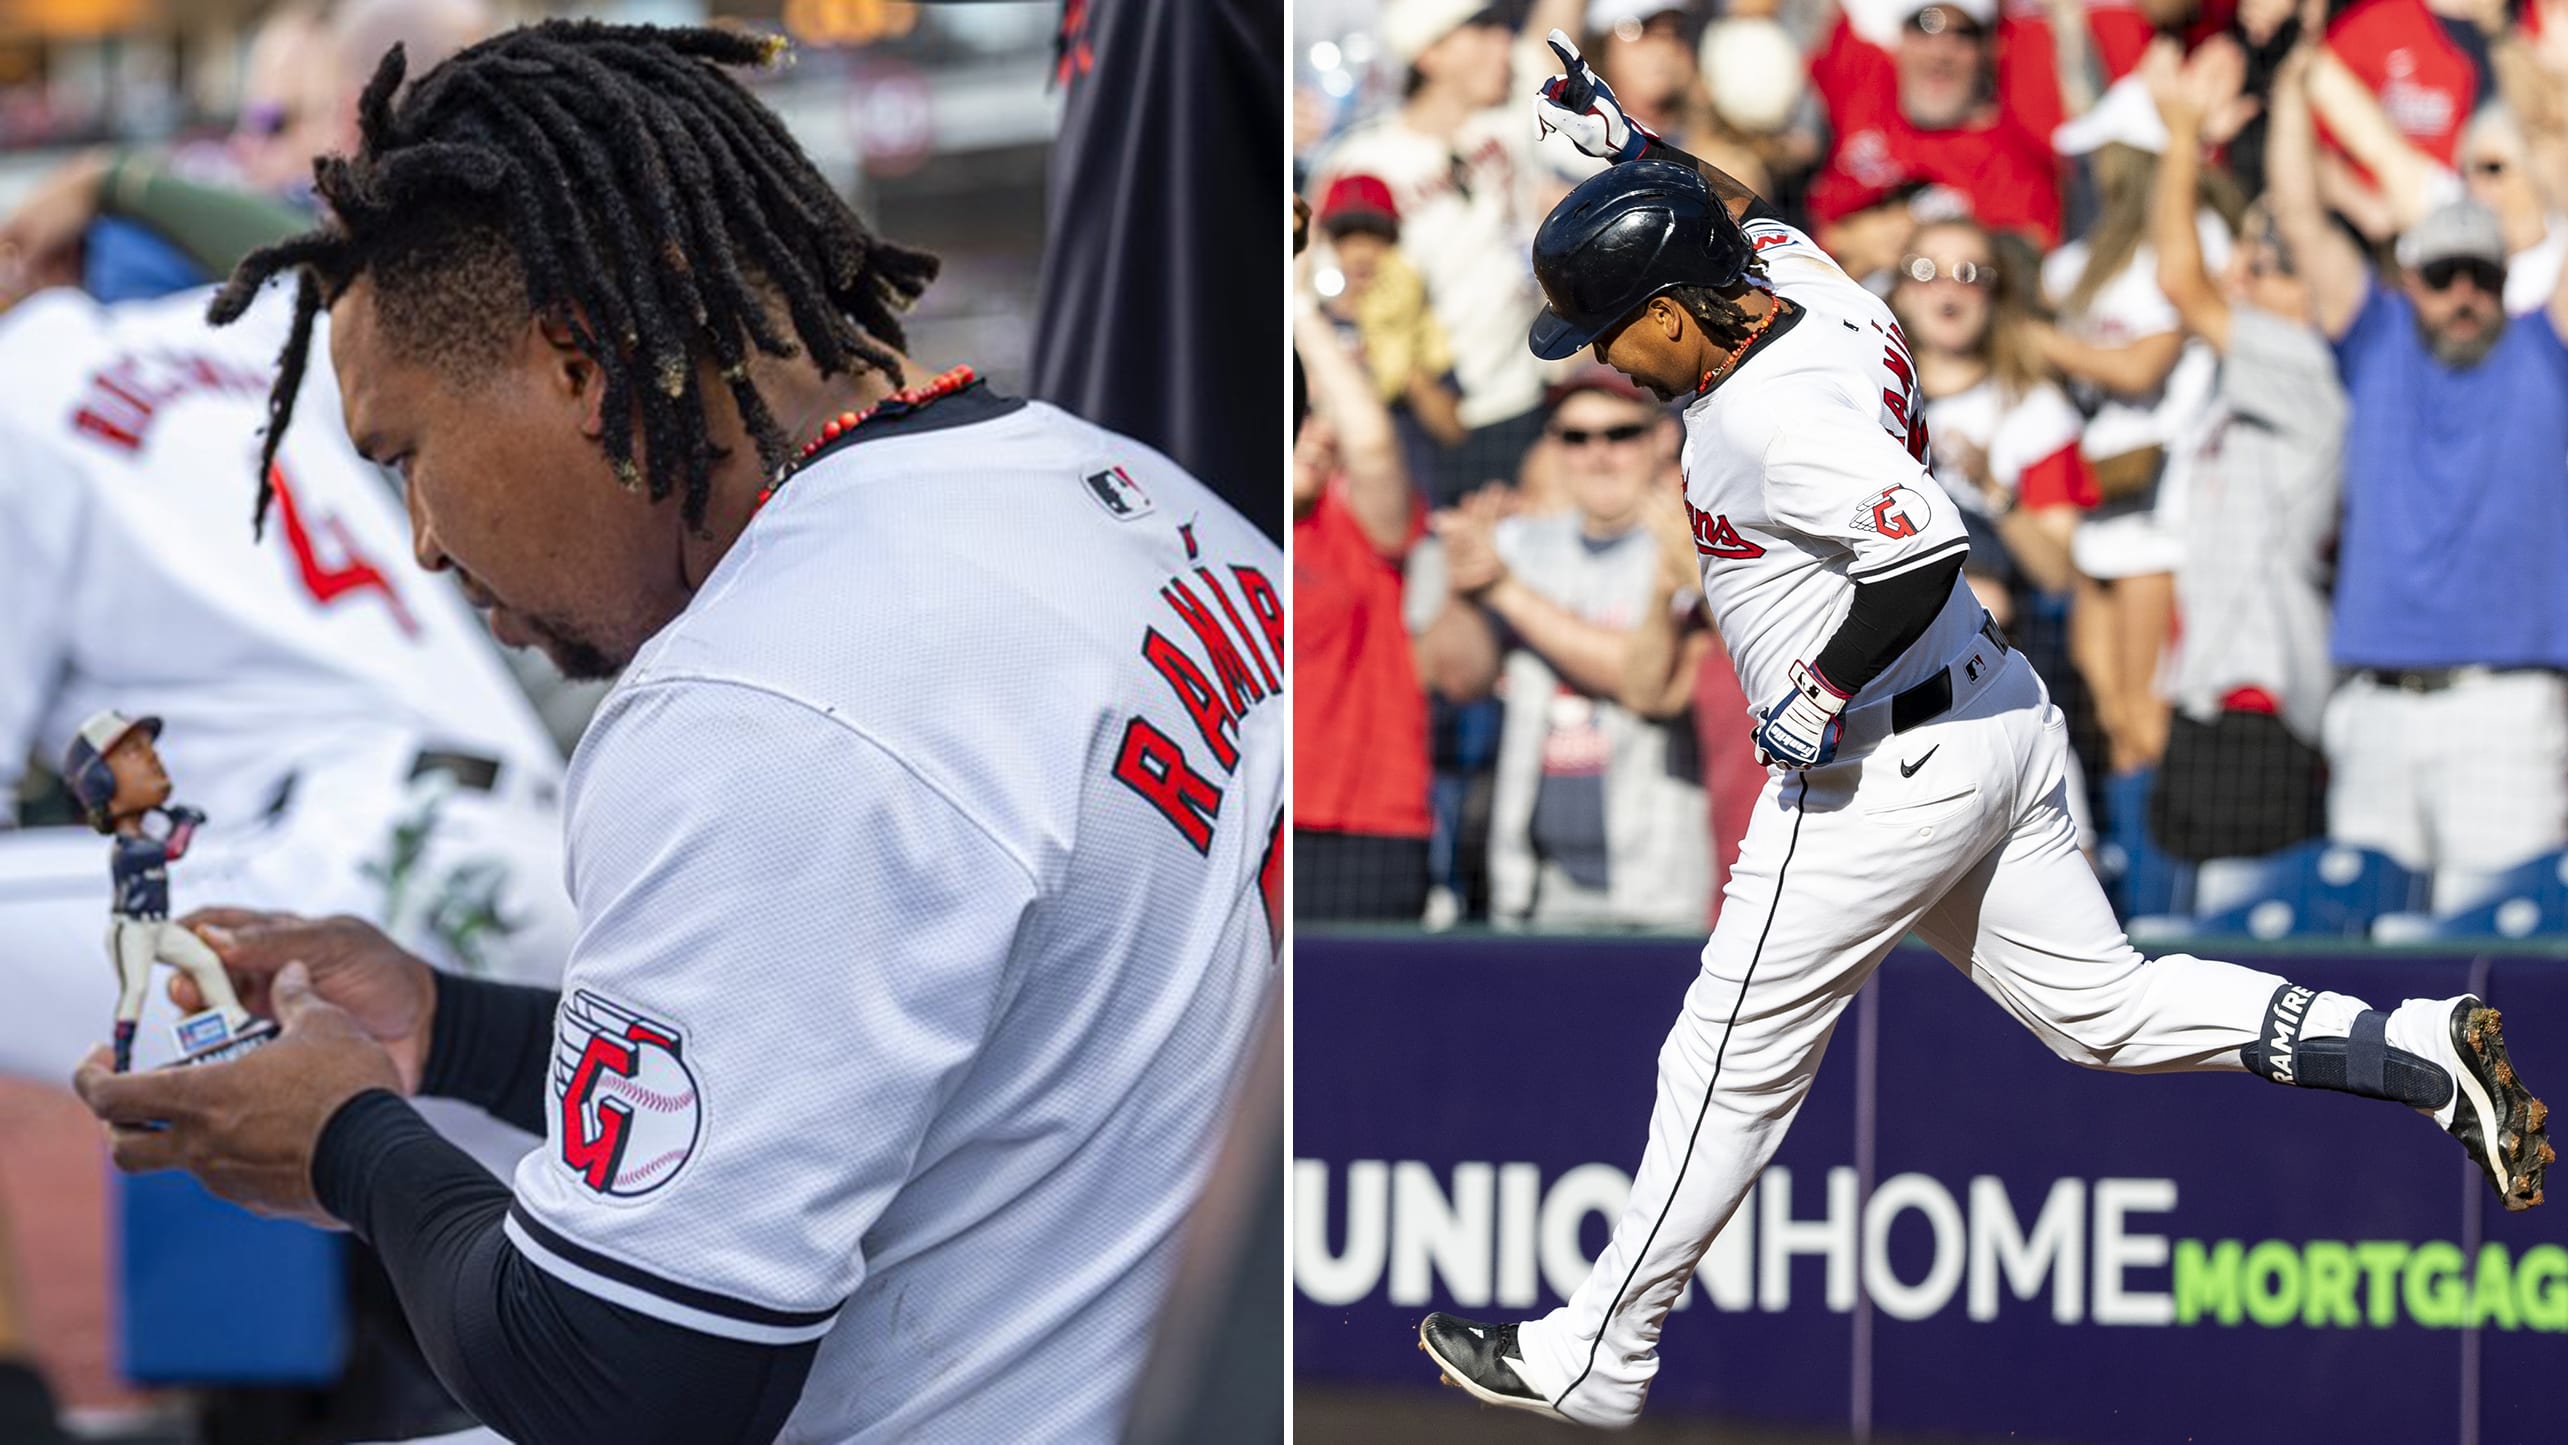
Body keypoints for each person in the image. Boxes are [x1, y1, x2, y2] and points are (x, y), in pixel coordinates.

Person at [71, 23, 1282, 1445]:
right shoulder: (1114, 483)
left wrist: (348, 1142)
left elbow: (621, 1389)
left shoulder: (766, 693)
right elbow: (859, 1054)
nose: (423, 545)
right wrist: (447, 1034)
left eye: (407, 457)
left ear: (580, 363)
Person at [1416, 42, 2552, 1429]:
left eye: (1608, 327)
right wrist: (1635, 140)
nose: (1596, 355)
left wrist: (1819, 687)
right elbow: (1731, 208)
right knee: (2106, 1010)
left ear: (1673, 314)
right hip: (1996, 719)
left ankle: (1602, 1352)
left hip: (1878, 760)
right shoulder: (1803, 290)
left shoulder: (1772, 412)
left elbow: (1920, 548)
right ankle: (2415, 1049)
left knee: (1724, 1047)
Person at [0, 279, 572, 1103]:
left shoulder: (15, 411)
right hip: (544, 842)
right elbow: (335, 247)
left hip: (350, 876)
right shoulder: (222, 324)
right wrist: (114, 187)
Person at [2268, 28, 2568, 910]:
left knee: (2509, 954)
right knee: (2370, 958)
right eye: (2443, 274)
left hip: (2505, 708)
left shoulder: (2544, 353)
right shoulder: (2377, 339)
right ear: (2412, 277)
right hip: (2376, 703)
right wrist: (2294, 82)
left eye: (2480, 273)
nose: (2464, 293)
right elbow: (2297, 216)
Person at [2145, 41, 2345, 860]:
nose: (2246, 270)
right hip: (2206, 705)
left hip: (2261, 712)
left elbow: (2178, 282)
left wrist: (2183, 135)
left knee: (2242, 946)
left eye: (2270, 261)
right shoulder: (2243, 371)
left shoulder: (2312, 367)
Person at [1430, 369, 1712, 930]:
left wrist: (1506, 593)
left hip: (1663, 884)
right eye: (1575, 438)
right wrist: (1463, 586)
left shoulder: (1695, 545)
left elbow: (1648, 684)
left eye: (1620, 434)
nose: (1598, 455)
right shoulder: (1519, 543)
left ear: (1661, 437)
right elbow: (1460, 678)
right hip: (1539, 888)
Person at [1305, 0, 1593, 501]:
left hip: (1530, 390)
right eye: (1481, 30)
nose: (1503, 44)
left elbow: (1558, 21)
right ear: (1430, 52)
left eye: (1504, 29)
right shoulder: (1363, 162)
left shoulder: (1512, 110)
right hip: (1431, 419)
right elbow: (1329, 302)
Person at [1294, 291, 1436, 923]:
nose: (1317, 434)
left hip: (1365, 825)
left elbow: (1372, 444)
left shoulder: (1350, 522)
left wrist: (1300, 310)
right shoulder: (1218, 524)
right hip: (1253, 820)